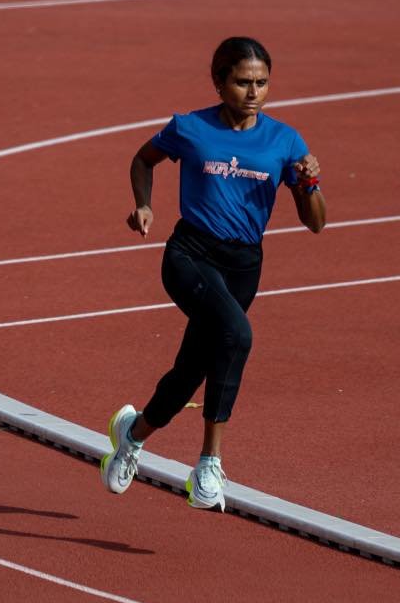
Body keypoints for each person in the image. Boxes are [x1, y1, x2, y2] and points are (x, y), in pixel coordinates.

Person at [101, 36, 326, 510]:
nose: (253, 92)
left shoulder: (286, 141)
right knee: (237, 335)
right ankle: (209, 462)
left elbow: (316, 222)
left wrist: (309, 184)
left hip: (244, 265)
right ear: (219, 83)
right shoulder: (190, 128)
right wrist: (143, 205)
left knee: (191, 371)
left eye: (262, 83)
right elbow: (143, 159)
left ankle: (132, 435)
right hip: (190, 254)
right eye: (243, 82)